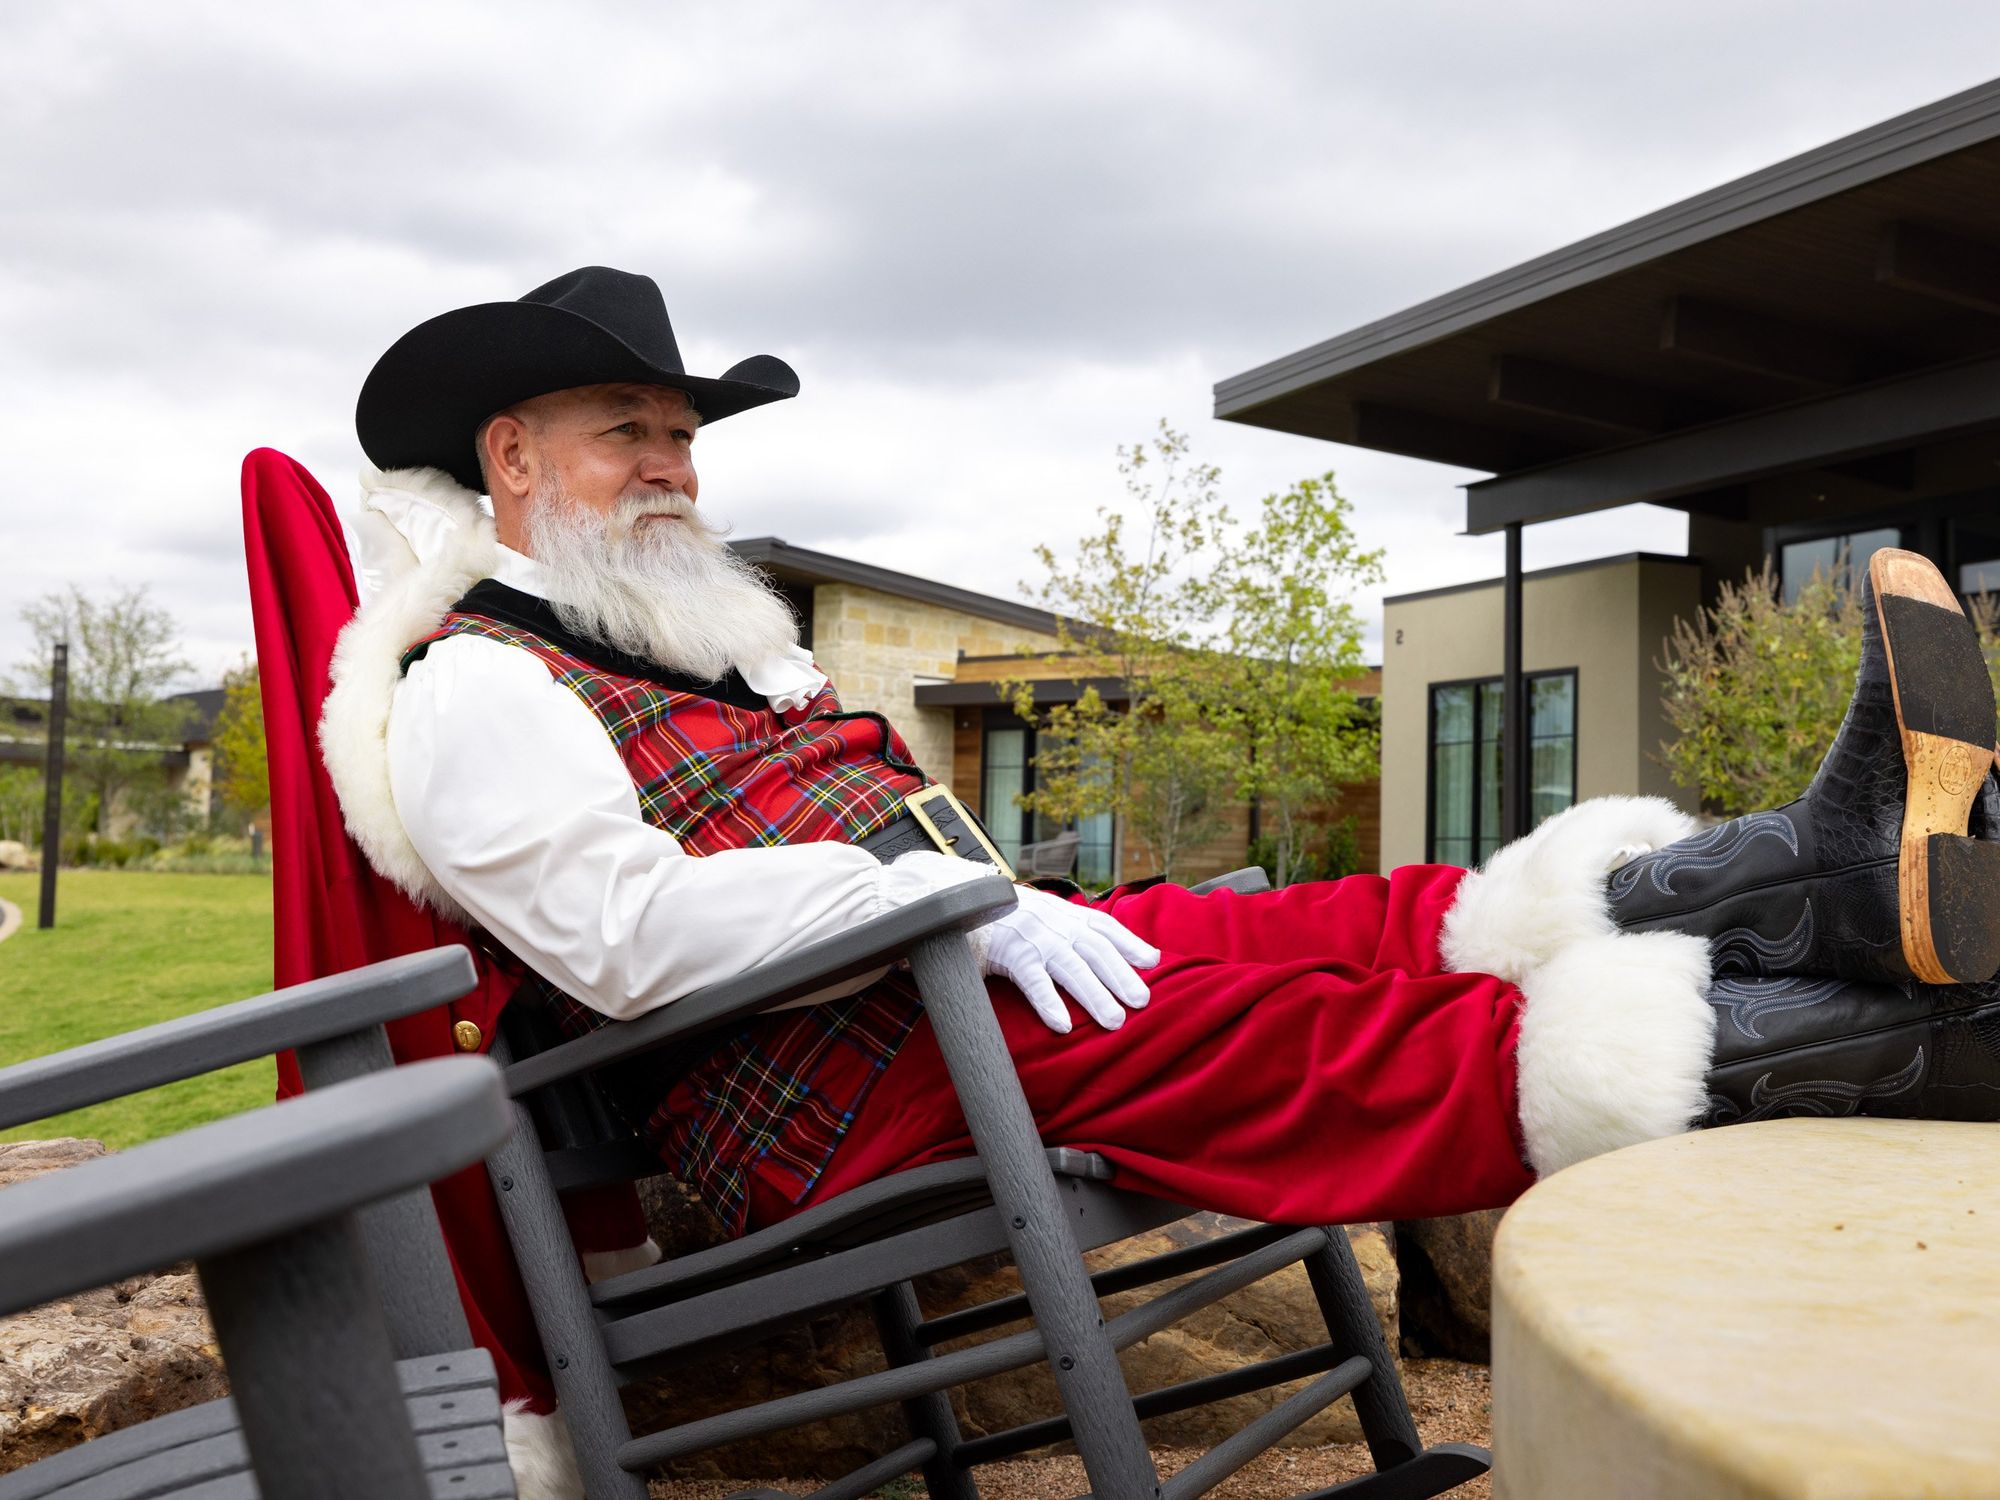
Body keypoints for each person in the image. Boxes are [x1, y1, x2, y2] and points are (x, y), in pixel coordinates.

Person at [322, 265, 2000, 1488]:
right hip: (807, 1087)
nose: (676, 467)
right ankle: (1875, 1044)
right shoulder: (475, 683)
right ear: (513, 460)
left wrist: (986, 900)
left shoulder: (698, 655)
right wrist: (932, 904)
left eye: (687, 437)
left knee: (1344, 915)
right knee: (1255, 1016)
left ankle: (1819, 884)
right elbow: (624, 941)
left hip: (939, 985)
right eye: (630, 432)